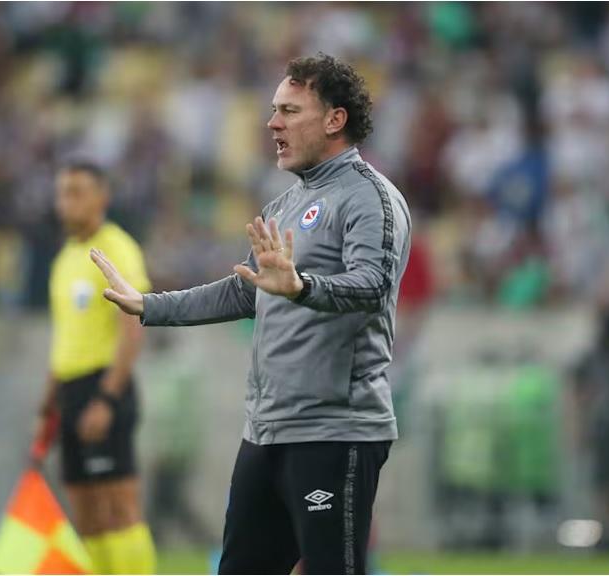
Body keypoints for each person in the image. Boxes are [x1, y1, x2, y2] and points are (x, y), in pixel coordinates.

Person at [91, 53, 412, 575]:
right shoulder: (286, 203)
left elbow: (373, 285)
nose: (273, 123)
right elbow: (245, 292)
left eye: (289, 110)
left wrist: (302, 285)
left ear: (335, 119)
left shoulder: (370, 196)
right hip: (267, 431)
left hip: (335, 430)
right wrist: (151, 306)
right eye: (273, 109)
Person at [36, 161, 156, 574]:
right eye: (62, 193)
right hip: (69, 392)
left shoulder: (117, 249)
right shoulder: (64, 260)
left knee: (119, 505)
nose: (65, 203)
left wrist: (106, 398)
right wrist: (50, 399)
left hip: (104, 387)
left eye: (76, 192)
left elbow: (132, 331)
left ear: (101, 198)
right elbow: (65, 337)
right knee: (84, 511)